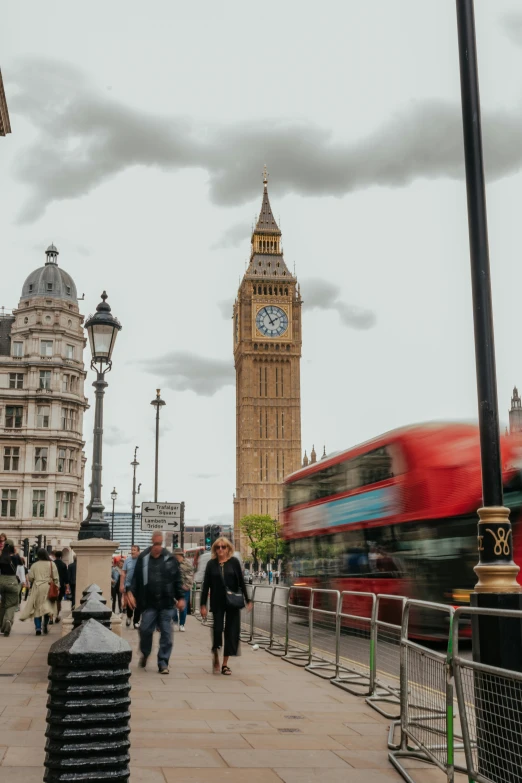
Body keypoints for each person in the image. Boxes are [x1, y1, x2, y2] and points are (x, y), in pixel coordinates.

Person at [126, 531, 185, 674]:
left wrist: (181, 597)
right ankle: (145, 653)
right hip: (149, 603)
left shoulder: (170, 558)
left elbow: (177, 579)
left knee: (166, 634)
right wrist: (130, 592)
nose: (157, 547)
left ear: (162, 543)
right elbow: (136, 578)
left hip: (166, 603)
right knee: (145, 630)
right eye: (155, 543)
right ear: (152, 542)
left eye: (159, 544)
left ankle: (163, 662)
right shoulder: (143, 558)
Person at [200, 537, 251, 676]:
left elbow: (241, 582)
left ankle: (224, 664)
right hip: (217, 602)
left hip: (232, 601)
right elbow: (206, 586)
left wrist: (248, 599)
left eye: (223, 547)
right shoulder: (211, 564)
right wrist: (202, 604)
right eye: (218, 547)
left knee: (231, 632)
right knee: (217, 629)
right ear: (215, 549)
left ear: (228, 548)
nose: (220, 549)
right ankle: (216, 651)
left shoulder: (234, 562)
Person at [19, 548, 59, 635]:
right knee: (47, 606)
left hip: (37, 587)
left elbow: (30, 578)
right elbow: (56, 578)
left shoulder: (34, 565)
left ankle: (38, 627)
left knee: (37, 608)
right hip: (48, 587)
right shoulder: (52, 564)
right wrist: (57, 587)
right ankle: (45, 623)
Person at [0, 535, 23, 636]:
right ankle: (8, 621)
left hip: (1, 582)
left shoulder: (1, 557)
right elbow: (20, 572)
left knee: (3, 603)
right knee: (11, 604)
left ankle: (1, 624)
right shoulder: (16, 558)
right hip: (12, 582)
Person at [172, 549, 194, 631]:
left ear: (180, 555)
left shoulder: (187, 563)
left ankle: (181, 624)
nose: (175, 557)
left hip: (185, 588)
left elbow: (191, 574)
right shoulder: (172, 563)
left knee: (183, 607)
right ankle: (175, 621)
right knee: (173, 605)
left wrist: (187, 586)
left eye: (176, 555)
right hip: (174, 588)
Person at [120, 545, 141, 629]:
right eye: (131, 550)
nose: (132, 552)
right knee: (130, 603)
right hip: (129, 585)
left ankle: (136, 621)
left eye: (134, 550)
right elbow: (123, 573)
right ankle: (129, 616)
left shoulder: (141, 560)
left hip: (139, 585)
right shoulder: (127, 560)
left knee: (138, 604)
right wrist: (122, 585)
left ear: (138, 551)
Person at [53, 551, 68, 622]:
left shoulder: (52, 563)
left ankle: (51, 616)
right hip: (61, 584)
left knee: (52, 600)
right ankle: (57, 615)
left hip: (52, 584)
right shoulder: (63, 565)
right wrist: (67, 586)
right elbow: (66, 576)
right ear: (61, 556)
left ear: (55, 556)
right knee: (59, 601)